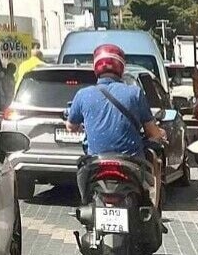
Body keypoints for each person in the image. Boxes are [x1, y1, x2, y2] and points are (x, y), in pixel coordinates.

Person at [65, 44, 166, 203]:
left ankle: (87, 205)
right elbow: (152, 132)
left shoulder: (83, 94)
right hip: (131, 162)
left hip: (95, 161)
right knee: (155, 164)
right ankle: (154, 209)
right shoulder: (134, 93)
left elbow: (70, 127)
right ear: (121, 67)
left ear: (96, 67)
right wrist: (160, 134)